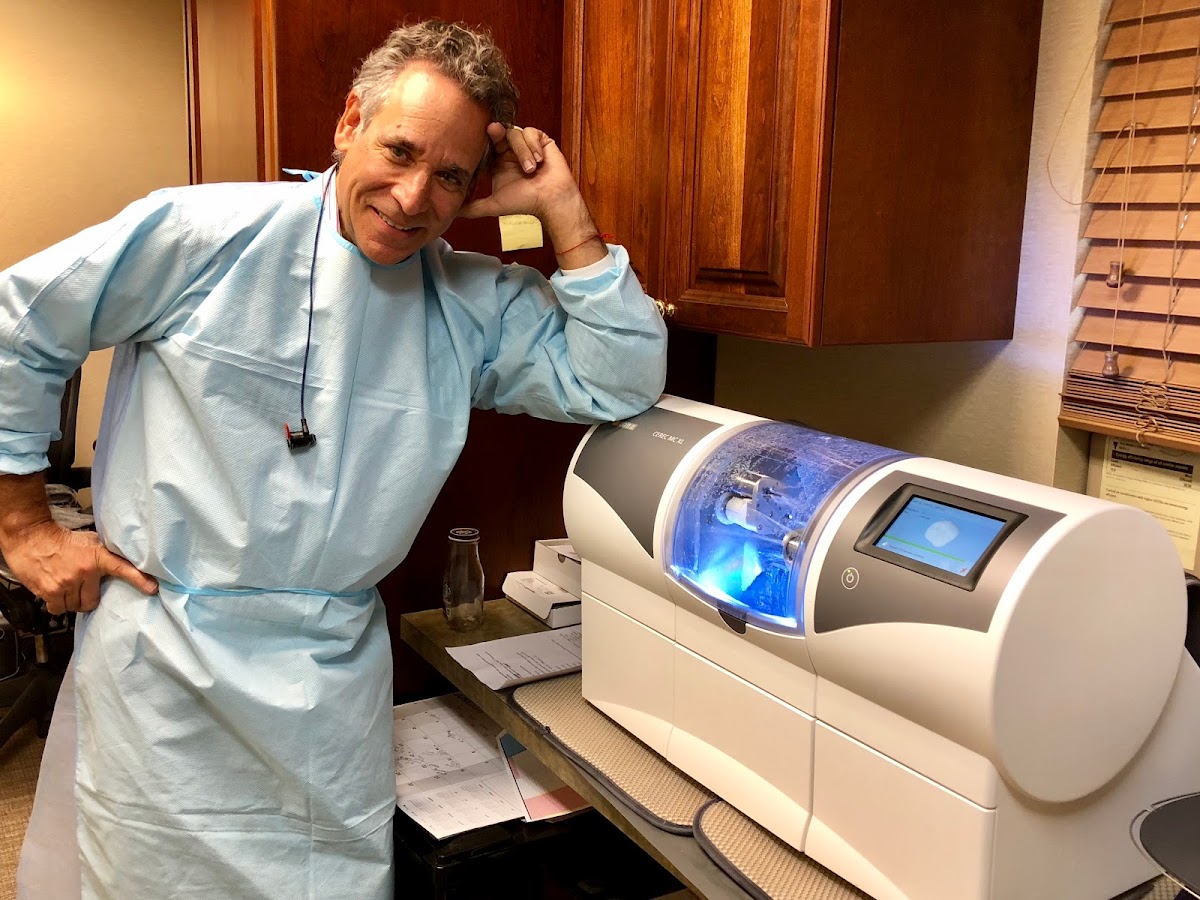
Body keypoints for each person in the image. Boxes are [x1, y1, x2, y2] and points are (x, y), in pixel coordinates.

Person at [0, 19, 667, 899]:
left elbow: (621, 378)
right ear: (350, 122)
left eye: (451, 176)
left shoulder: (468, 303)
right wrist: (23, 527)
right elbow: (18, 326)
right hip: (167, 663)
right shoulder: (203, 231)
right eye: (400, 150)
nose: (413, 196)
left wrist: (563, 211)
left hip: (328, 677)